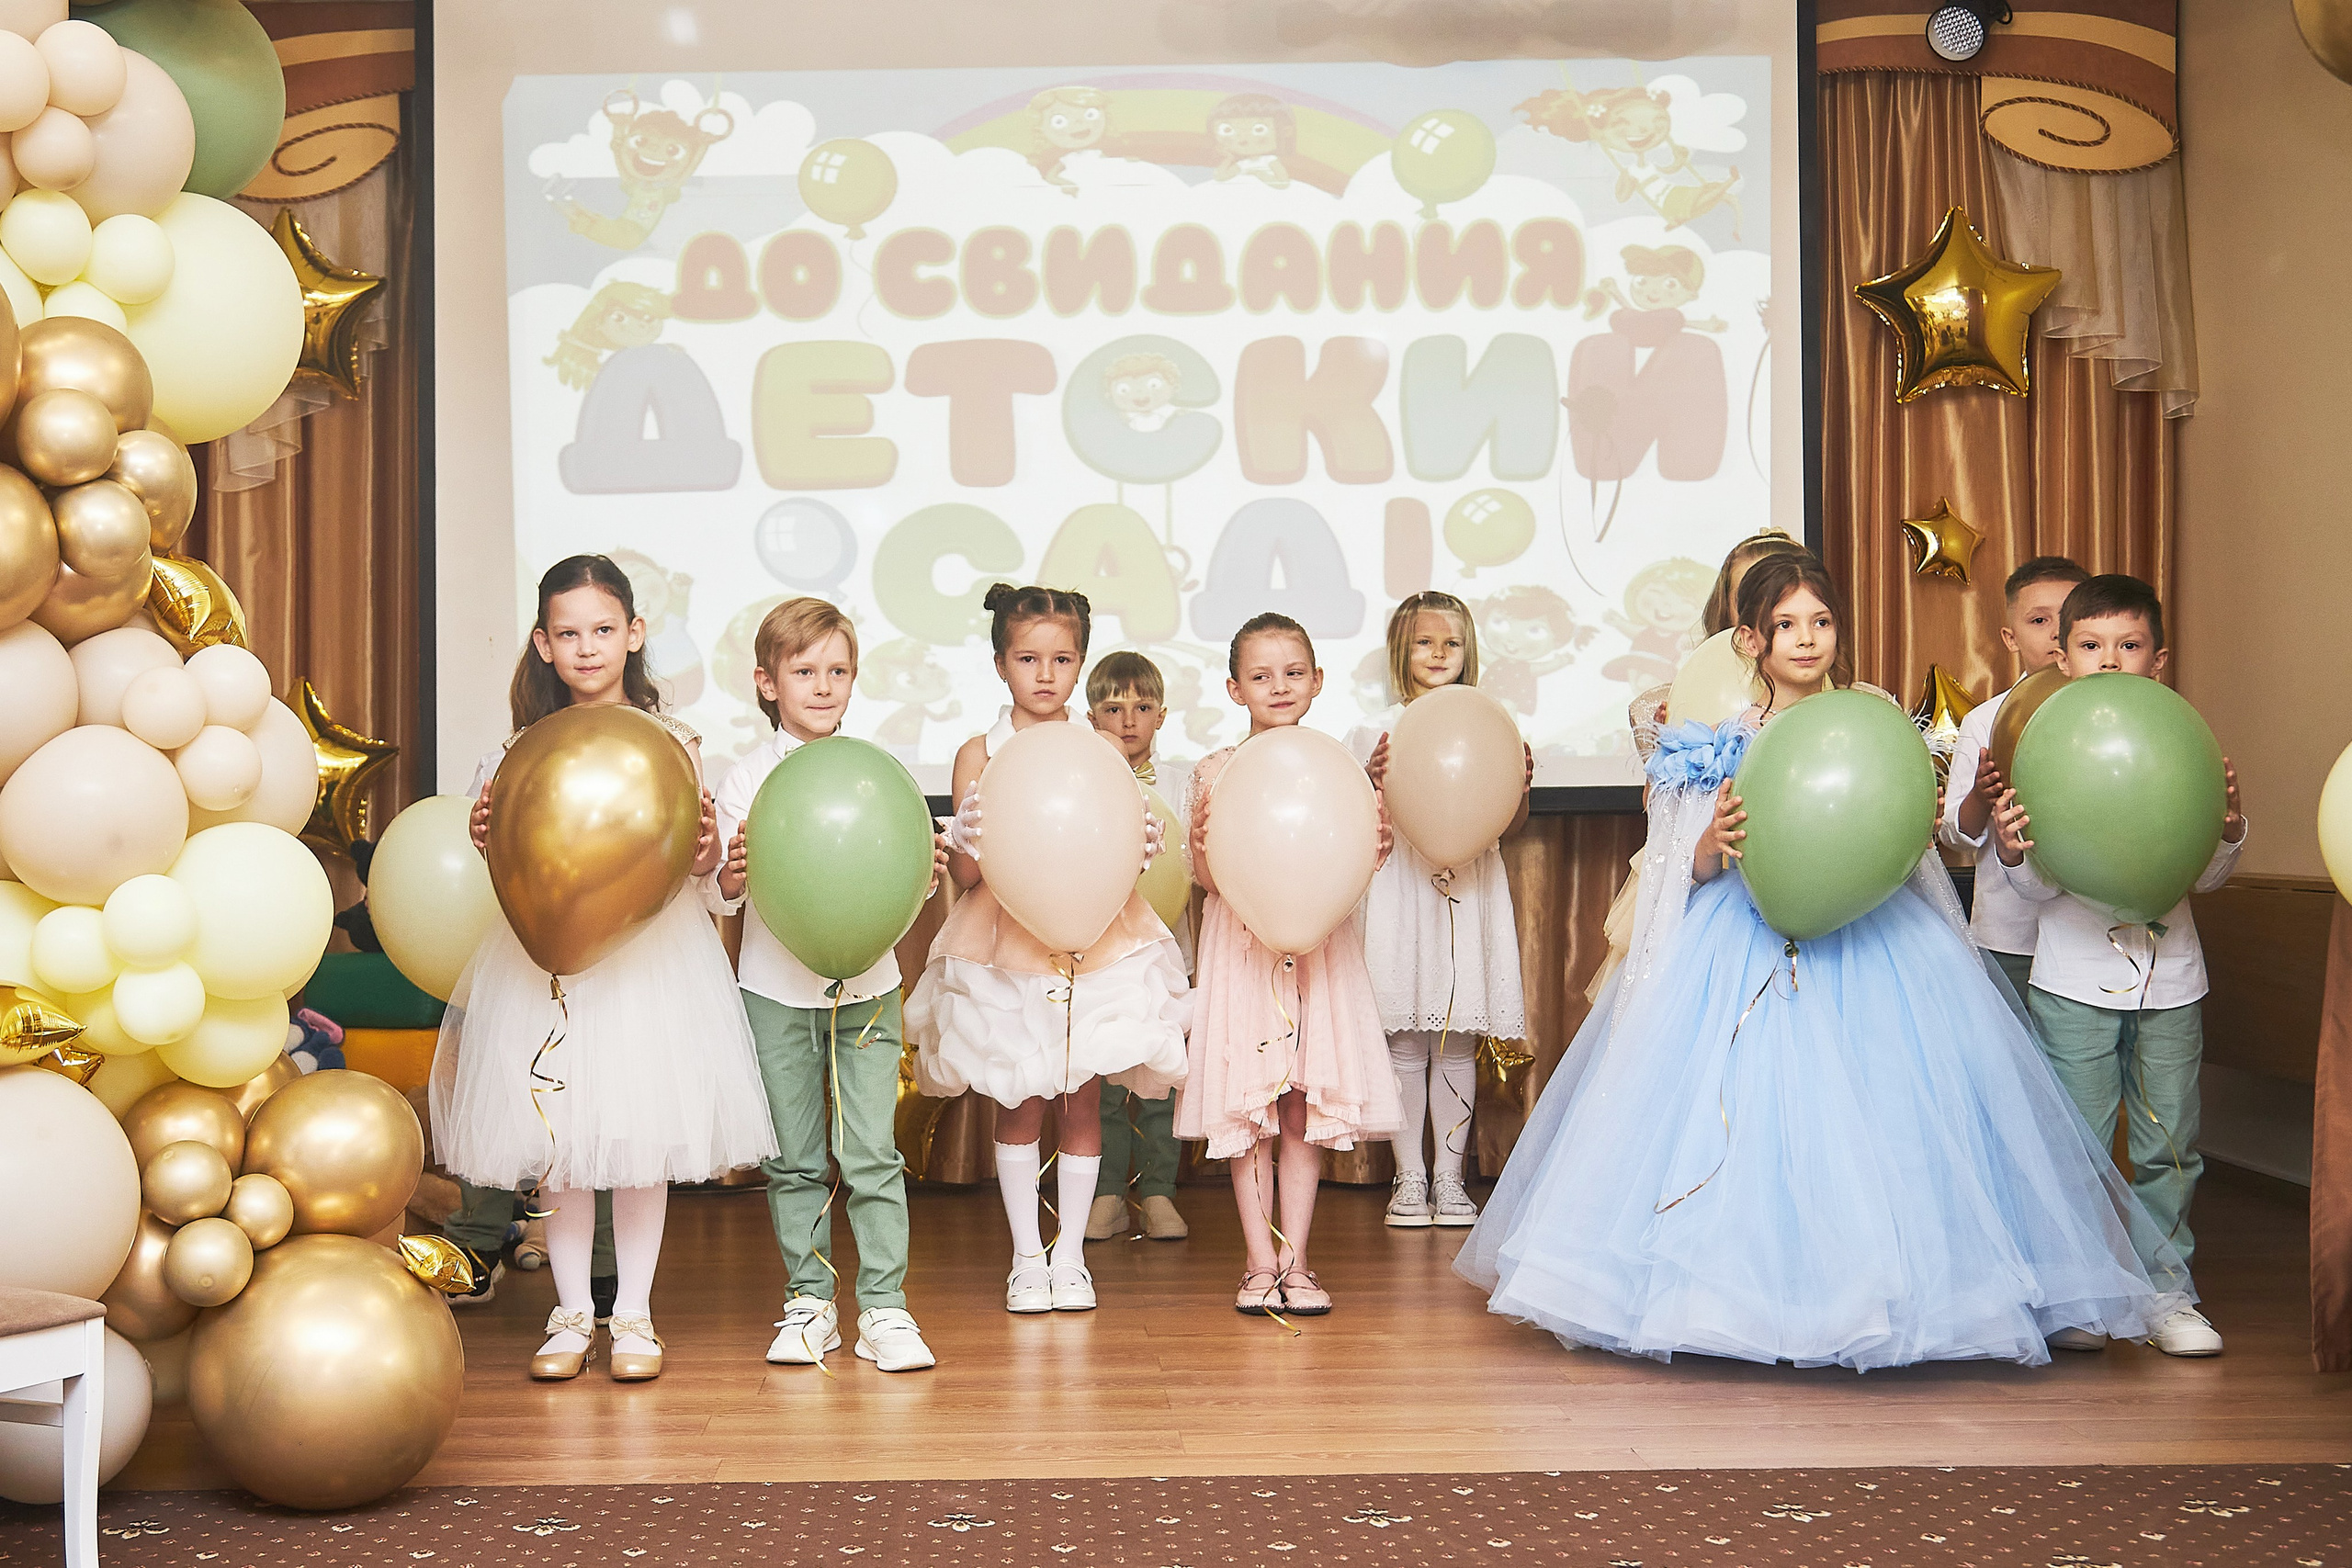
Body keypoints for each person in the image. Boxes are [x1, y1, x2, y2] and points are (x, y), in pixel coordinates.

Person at [1458, 553, 2193, 1370]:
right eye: (1785, 625)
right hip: (1747, 938)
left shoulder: (1873, 717)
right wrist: (1708, 845)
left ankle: (1924, 1289)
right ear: (1749, 639)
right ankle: (1744, 1297)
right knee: (1755, 1114)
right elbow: (1680, 865)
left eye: (1821, 621)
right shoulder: (1721, 737)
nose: (1806, 639)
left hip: (1876, 936)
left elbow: (1909, 837)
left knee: (1898, 1115)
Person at [432, 555, 775, 1382]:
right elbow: (517, 871)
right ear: (544, 645)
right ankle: (569, 1312)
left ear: (634, 633)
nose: (587, 647)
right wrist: (489, 839)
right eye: (569, 633)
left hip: (650, 968)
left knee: (636, 1139)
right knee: (565, 1146)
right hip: (548, 973)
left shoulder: (675, 743)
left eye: (603, 629)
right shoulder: (518, 750)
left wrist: (703, 857)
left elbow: (701, 876)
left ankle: (635, 1315)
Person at [909, 585, 1191, 1314]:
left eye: (1061, 659)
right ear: (1001, 663)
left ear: (1080, 663)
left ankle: (1071, 1259)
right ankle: (1025, 1256)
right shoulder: (981, 751)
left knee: (1083, 1095)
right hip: (1007, 947)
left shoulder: (1100, 745)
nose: (1045, 673)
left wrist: (1139, 845)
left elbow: (1110, 856)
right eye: (1028, 657)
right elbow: (969, 877)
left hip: (1095, 943)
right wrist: (964, 840)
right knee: (1020, 1097)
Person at [1990, 573, 2246, 1358]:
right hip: (2070, 978)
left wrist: (2226, 827)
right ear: (2061, 657)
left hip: (2171, 980)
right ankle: (2079, 1289)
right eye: (2090, 645)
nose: (2109, 660)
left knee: (2172, 1139)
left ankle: (2168, 1290)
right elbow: (2037, 884)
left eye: (2128, 645)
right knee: (2078, 1137)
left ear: (2157, 660)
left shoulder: (2180, 739)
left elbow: (2203, 875)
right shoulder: (2044, 748)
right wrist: (2011, 851)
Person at [708, 598, 948, 1373]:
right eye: (803, 670)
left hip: (869, 982)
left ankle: (885, 1306)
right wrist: (731, 877)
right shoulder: (747, 777)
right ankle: (809, 1302)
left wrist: (922, 872)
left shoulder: (880, 773)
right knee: (796, 1157)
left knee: (873, 1149)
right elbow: (722, 890)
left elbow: (900, 874)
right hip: (776, 989)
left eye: (837, 670)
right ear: (765, 681)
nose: (822, 685)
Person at [1178, 614, 1403, 1315]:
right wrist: (1202, 847)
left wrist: (1373, 848)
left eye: (1294, 671)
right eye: (1261, 674)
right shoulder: (1217, 769)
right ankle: (1257, 1260)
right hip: (1243, 950)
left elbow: (1347, 864)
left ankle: (1298, 1260)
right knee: (1252, 1103)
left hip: (1316, 950)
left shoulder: (1337, 767)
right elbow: (1210, 880)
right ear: (1234, 687)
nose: (1279, 686)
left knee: (1304, 1100)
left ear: (1319, 680)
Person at [1348, 592, 1531, 1229]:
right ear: (1403, 650)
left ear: (1467, 649)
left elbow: (1509, 816)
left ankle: (1451, 1182)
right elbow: (1354, 819)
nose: (1437, 653)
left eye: (1450, 643)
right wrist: (1368, 777)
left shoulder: (1491, 721)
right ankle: (1409, 1178)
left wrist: (1519, 783)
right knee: (1404, 1039)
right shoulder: (1379, 729)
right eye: (1424, 642)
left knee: (1456, 1039)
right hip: (1402, 888)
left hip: (1467, 886)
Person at [1585, 529, 1810, 1004]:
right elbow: (1660, 814)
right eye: (1750, 592)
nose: (1768, 604)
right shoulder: (1679, 697)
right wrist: (1674, 752)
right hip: (1710, 890)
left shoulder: (1841, 697)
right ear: (1729, 611)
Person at [1080, 650, 1193, 1245]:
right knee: (1103, 1080)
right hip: (1100, 953)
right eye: (1113, 707)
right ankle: (1106, 1192)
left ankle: (1157, 1190)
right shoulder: (1085, 776)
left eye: (1143, 707)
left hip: (1165, 953)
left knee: (1158, 1077)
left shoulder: (1182, 782)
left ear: (1162, 714)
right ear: (1090, 712)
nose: (1129, 719)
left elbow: (1193, 862)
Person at [1939, 556, 2087, 999]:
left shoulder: (2117, 715)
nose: (2057, 633)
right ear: (2010, 637)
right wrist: (1981, 798)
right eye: (2039, 620)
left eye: (2071, 617)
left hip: (2091, 936)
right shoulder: (1986, 721)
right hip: (2011, 937)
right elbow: (1954, 834)